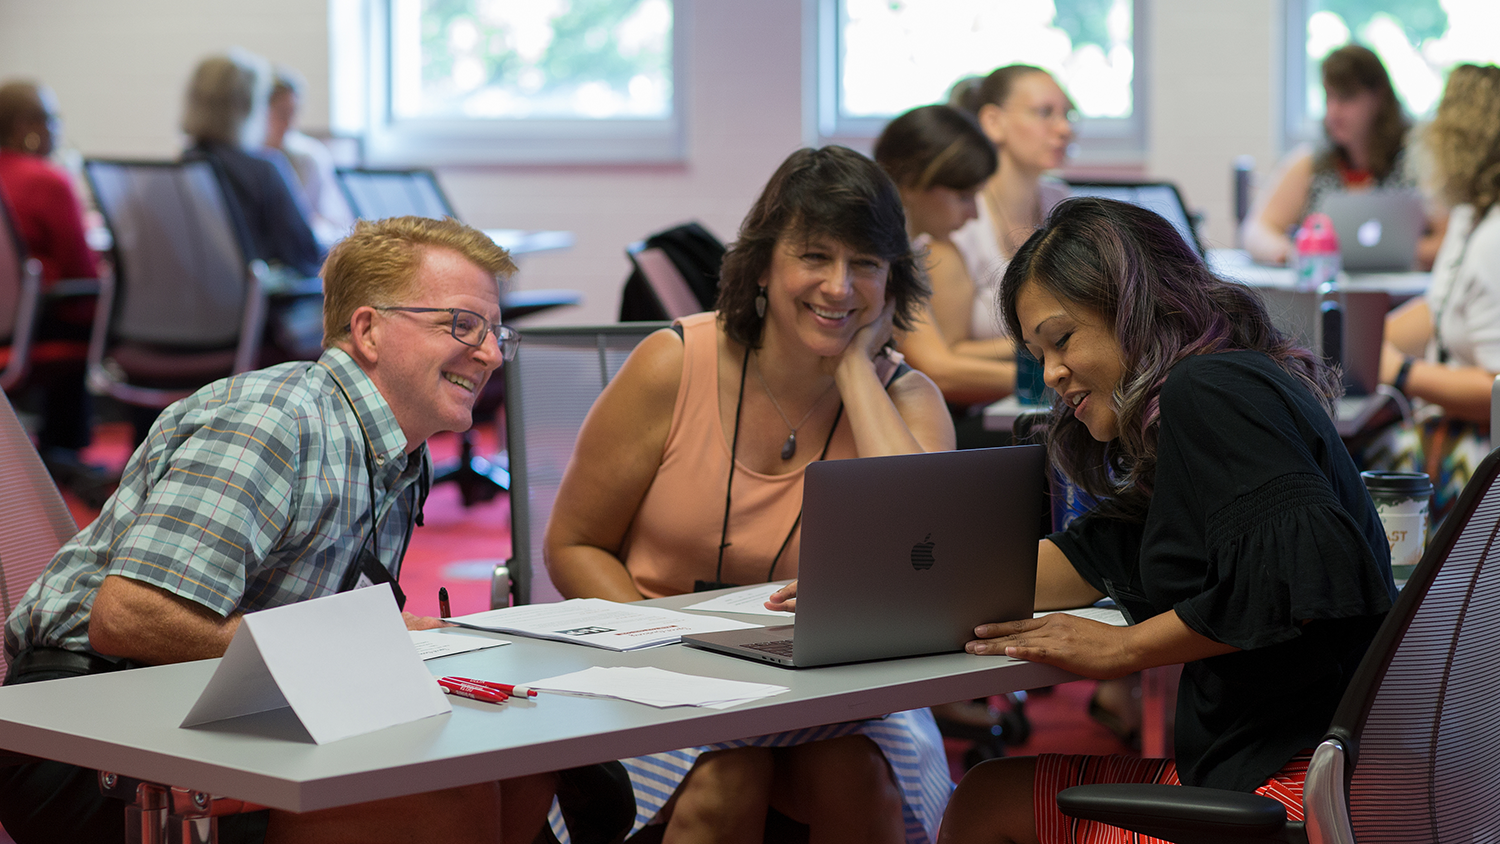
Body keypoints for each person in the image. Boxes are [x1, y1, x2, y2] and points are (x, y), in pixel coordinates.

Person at [0, 216, 552, 844]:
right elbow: (128, 618)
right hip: (85, 725)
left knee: (520, 769)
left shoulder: (400, 452)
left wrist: (378, 645)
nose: (487, 353)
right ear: (368, 329)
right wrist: (339, 651)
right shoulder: (274, 422)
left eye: (494, 333)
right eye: (462, 326)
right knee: (445, 798)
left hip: (217, 707)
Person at [933, 197, 1396, 844]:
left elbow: (1305, 577)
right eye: (1038, 354)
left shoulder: (1206, 393)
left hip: (1292, 795)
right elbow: (1093, 555)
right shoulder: (1222, 392)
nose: (1052, 374)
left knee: (986, 802)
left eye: (1062, 339)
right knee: (989, 793)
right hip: (1331, 781)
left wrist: (1123, 650)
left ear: (1135, 306)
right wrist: (878, 592)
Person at [545, 146, 957, 844]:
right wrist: (664, 645)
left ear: (893, 282)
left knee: (854, 777)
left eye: (865, 265)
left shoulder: (907, 399)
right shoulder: (674, 364)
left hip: (839, 687)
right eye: (815, 257)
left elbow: (926, 571)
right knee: (726, 777)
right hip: (660, 668)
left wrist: (856, 370)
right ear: (764, 265)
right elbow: (573, 544)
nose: (838, 287)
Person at [1368, 63, 1500, 523]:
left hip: (1483, 448)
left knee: (1354, 463)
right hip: (1458, 425)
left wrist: (1401, 372)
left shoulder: (1494, 238)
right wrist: (1364, 341)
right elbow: (1442, 307)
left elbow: (1496, 388)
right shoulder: (1470, 217)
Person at [0, 79, 114, 505]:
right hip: (38, 327)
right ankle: (66, 450)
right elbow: (83, 276)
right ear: (27, 125)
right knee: (102, 315)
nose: (55, 130)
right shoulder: (46, 180)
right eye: (50, 120)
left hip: (10, 322)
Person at [874, 105, 1014, 441]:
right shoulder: (880, 256)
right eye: (963, 196)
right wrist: (1050, 380)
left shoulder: (907, 251)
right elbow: (938, 370)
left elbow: (946, 352)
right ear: (909, 182)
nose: (974, 213)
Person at [1242, 43, 1445, 268]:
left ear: (1378, 98)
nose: (1333, 112)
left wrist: (1391, 255)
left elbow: (1449, 240)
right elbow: (1256, 230)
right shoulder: (1311, 164)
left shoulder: (1417, 162)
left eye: (1346, 98)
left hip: (1400, 298)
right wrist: (1291, 253)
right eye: (1329, 97)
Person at [181, 52, 324, 361]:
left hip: (180, 327)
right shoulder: (263, 171)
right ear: (248, 107)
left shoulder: (181, 170)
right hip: (251, 328)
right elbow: (306, 258)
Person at [949, 65, 1074, 342]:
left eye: (1068, 114)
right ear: (993, 121)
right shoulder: (960, 218)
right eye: (1045, 113)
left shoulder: (1061, 201)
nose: (1064, 128)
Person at [264, 66, 355, 249]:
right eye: (282, 114)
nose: (289, 123)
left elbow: (339, 226)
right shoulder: (245, 158)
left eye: (294, 113)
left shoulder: (309, 157)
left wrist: (309, 227)